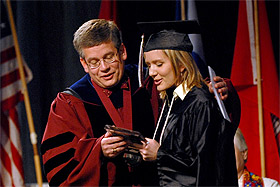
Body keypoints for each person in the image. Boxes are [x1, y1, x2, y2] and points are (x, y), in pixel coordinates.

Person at [41, 19, 233, 186]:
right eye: (94, 62)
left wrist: (224, 90)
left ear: (122, 51)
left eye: (109, 57)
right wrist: (98, 150)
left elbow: (194, 97)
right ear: (84, 64)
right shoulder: (70, 103)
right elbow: (58, 169)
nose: (104, 68)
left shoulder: (148, 80)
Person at [138, 20, 238, 186]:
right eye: (149, 65)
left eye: (159, 64)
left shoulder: (200, 103)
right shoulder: (171, 102)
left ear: (182, 64)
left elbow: (205, 168)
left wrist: (160, 154)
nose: (152, 72)